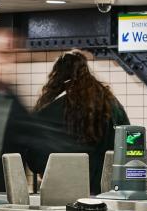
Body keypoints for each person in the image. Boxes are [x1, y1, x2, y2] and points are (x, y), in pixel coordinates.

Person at [25, 50, 129, 194]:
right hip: (108, 190)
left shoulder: (51, 108)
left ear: (57, 77)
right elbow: (127, 140)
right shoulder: (109, 102)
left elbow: (34, 154)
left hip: (63, 191)